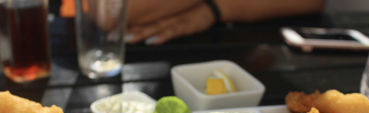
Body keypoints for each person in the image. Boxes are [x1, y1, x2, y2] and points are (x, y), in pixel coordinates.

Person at [60, 0, 326, 45]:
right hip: (88, 47)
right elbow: (110, 12)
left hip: (225, 49)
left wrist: (214, 9)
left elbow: (312, 2)